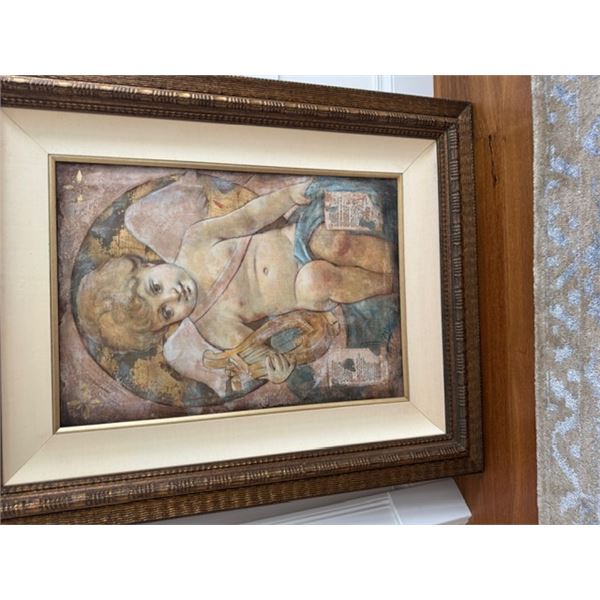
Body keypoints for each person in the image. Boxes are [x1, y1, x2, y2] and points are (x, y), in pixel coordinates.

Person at [76, 178, 394, 387]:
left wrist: (286, 196)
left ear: (149, 266)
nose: (173, 296)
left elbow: (249, 217)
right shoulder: (211, 325)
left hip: (295, 237)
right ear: (167, 326)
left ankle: (395, 261)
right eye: (166, 312)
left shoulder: (196, 241)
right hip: (301, 290)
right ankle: (390, 285)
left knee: (335, 243)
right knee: (319, 280)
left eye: (156, 288)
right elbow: (257, 351)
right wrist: (275, 369)